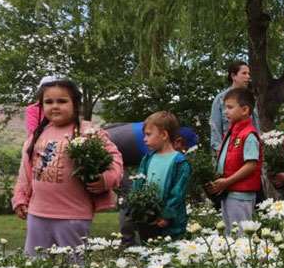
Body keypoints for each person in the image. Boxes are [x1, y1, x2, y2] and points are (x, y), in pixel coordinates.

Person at [12, 79, 123, 256]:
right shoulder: (37, 135)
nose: (54, 106)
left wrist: (105, 179)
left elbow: (114, 158)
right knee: (34, 266)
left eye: (62, 101)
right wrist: (20, 198)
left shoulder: (89, 132)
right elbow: (25, 171)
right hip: (37, 213)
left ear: (75, 104)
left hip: (74, 216)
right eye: (48, 102)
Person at [106, 122, 198, 246]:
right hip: (108, 151)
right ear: (178, 141)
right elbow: (141, 179)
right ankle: (128, 242)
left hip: (115, 142)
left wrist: (166, 214)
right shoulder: (150, 150)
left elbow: (177, 190)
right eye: (185, 149)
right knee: (129, 198)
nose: (184, 152)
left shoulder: (155, 133)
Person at [128, 112, 192, 242]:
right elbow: (139, 182)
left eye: (148, 134)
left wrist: (166, 215)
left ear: (163, 135)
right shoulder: (147, 159)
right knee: (148, 252)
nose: (144, 139)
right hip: (148, 220)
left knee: (170, 254)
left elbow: (177, 193)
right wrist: (137, 208)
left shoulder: (180, 162)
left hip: (170, 224)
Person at [207, 88, 262, 234]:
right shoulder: (232, 132)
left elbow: (251, 165)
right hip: (230, 192)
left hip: (241, 195)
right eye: (225, 107)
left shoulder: (248, 135)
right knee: (230, 233)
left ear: (245, 110)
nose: (225, 112)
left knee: (241, 235)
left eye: (230, 107)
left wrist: (227, 181)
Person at [210, 61, 260, 154]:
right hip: (228, 150)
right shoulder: (220, 99)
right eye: (244, 73)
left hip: (249, 148)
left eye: (249, 73)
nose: (248, 77)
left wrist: (259, 146)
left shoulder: (250, 98)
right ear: (233, 76)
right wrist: (220, 154)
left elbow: (256, 125)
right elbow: (215, 128)